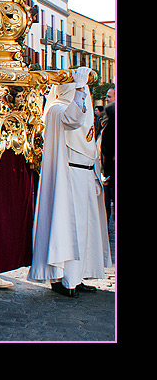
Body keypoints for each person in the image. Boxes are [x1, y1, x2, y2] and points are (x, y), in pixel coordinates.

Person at [27, 68, 112, 297]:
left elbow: (90, 141)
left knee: (86, 229)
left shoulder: (80, 107)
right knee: (70, 227)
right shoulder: (56, 109)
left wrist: (95, 174)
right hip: (69, 176)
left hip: (85, 175)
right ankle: (64, 279)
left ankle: (79, 275)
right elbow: (72, 120)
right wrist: (79, 90)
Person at [100, 86, 115, 224]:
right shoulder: (106, 118)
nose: (106, 99)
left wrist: (108, 172)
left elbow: (108, 148)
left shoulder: (111, 119)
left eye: (109, 96)